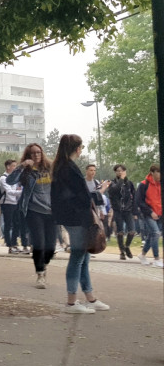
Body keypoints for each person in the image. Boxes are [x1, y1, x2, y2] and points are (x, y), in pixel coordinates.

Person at [50, 134, 109, 314]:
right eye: (81, 147)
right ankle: (71, 301)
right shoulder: (69, 168)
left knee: (83, 257)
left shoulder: (61, 166)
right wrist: (100, 193)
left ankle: (89, 297)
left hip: (70, 217)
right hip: (76, 218)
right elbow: (82, 195)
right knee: (78, 257)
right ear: (77, 148)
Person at [7, 143, 56, 288]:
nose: (36, 155)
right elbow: (10, 181)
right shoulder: (26, 171)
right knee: (38, 243)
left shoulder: (50, 167)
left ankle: (44, 264)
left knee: (51, 247)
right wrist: (21, 166)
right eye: (32, 153)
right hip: (34, 211)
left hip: (51, 211)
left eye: (38, 152)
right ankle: (40, 274)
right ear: (28, 156)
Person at [134, 164, 163, 267]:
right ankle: (157, 259)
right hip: (148, 213)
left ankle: (142, 255)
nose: (160, 175)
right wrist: (150, 212)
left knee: (152, 235)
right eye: (158, 172)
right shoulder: (144, 184)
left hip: (160, 213)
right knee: (156, 233)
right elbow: (138, 201)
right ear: (152, 172)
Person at [107, 164, 137, 260]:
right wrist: (121, 180)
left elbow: (134, 197)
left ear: (125, 171)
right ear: (115, 172)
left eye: (122, 170)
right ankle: (122, 252)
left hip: (128, 210)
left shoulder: (129, 183)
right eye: (118, 171)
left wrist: (135, 212)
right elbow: (114, 191)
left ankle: (127, 246)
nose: (120, 172)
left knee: (132, 231)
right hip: (118, 210)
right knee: (120, 232)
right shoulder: (112, 183)